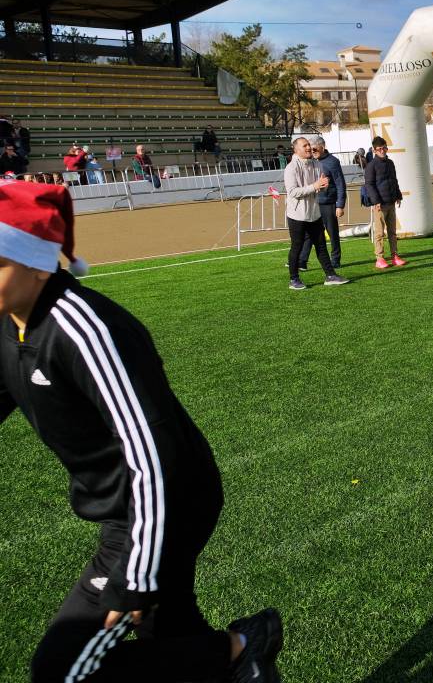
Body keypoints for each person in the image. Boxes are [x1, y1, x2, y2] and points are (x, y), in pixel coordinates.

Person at [0, 181, 285, 682]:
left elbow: (153, 454)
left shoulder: (84, 330)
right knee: (169, 631)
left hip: (164, 503)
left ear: (35, 260)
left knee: (62, 671)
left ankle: (241, 648)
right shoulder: (8, 325)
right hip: (137, 502)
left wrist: (136, 571)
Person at [284, 137, 348, 289]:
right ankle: (294, 279)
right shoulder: (291, 168)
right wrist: (315, 186)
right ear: (296, 150)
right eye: (305, 145)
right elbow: (293, 192)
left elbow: (319, 187)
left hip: (314, 213)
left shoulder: (317, 164)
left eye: (309, 145)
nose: (309, 148)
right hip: (297, 215)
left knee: (321, 245)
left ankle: (330, 275)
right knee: (297, 247)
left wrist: (323, 186)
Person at [298, 136, 347, 269]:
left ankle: (335, 259)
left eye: (314, 148)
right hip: (314, 203)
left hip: (328, 203)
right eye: (310, 149)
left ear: (322, 147)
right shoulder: (311, 162)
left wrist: (340, 205)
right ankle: (302, 261)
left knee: (332, 233)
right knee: (308, 233)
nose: (312, 151)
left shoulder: (333, 162)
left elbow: (340, 184)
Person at [362, 136, 407, 270]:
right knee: (380, 233)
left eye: (384, 148)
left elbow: (394, 180)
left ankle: (394, 256)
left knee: (392, 232)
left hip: (391, 202)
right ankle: (380, 258)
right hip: (379, 205)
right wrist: (376, 201)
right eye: (379, 149)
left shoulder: (390, 163)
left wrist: (398, 196)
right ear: (374, 150)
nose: (382, 151)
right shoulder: (371, 166)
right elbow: (369, 185)